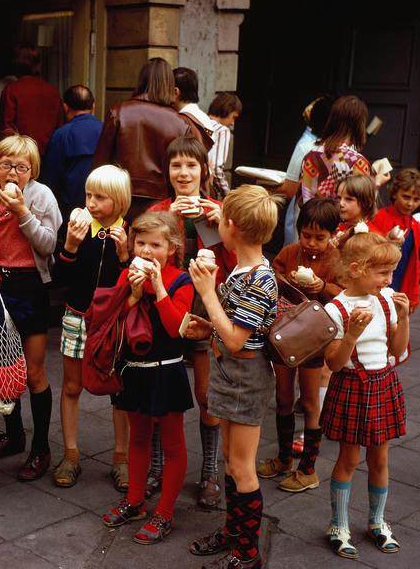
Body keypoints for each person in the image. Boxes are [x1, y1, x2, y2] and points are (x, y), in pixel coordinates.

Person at [183, 185, 279, 568]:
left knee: (242, 467)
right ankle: (234, 530)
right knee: (229, 459)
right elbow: (236, 328)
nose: (217, 225)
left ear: (233, 227)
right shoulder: (243, 267)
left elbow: (239, 341)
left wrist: (207, 293)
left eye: (221, 220)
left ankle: (247, 553)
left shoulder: (259, 278)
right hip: (231, 372)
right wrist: (207, 327)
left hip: (244, 375)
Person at [148, 136, 237, 509]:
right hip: (166, 306)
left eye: (191, 166)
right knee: (158, 389)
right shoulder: (159, 210)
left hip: (206, 306)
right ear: (167, 172)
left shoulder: (218, 210)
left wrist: (223, 228)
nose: (183, 173)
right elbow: (145, 256)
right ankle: (156, 467)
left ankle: (209, 473)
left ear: (204, 170)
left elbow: (237, 266)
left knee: (206, 394)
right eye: (176, 166)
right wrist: (168, 224)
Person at [99, 211, 194, 545]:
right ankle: (135, 500)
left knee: (172, 442)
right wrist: (134, 294)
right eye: (141, 243)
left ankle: (165, 511)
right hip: (135, 370)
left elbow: (174, 327)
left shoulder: (181, 280)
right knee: (137, 437)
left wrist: (157, 287)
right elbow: (114, 319)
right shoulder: (127, 273)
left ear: (172, 248)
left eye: (156, 244)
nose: (147, 251)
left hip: (167, 370)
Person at [0, 135, 62, 481]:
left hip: (30, 285)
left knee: (34, 372)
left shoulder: (41, 196)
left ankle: (41, 447)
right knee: (2, 366)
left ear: (32, 171)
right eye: (6, 165)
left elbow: (48, 245)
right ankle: (14, 435)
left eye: (21, 167)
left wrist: (22, 211)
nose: (13, 173)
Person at [321, 232, 409, 559]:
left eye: (391, 272)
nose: (389, 280)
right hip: (351, 384)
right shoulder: (337, 309)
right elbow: (333, 362)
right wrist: (352, 335)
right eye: (383, 273)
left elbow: (398, 350)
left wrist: (406, 318)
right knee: (349, 459)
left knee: (380, 459)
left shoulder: (385, 300)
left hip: (383, 382)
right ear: (357, 269)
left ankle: (377, 521)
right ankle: (338, 525)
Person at [52, 164, 132, 490]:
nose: (91, 202)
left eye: (100, 197)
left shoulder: (130, 231)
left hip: (114, 322)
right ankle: (70, 454)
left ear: (119, 201)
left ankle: (121, 458)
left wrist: (125, 253)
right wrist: (70, 246)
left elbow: (133, 284)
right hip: (78, 313)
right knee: (72, 386)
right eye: (88, 195)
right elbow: (60, 280)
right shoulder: (76, 228)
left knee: (119, 391)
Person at [257, 197, 342, 494]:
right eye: (307, 236)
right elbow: (274, 274)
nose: (312, 243)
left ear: (333, 234)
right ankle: (283, 459)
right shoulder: (290, 252)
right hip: (285, 334)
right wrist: (285, 279)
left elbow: (343, 292)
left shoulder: (337, 259)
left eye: (320, 238)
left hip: (314, 340)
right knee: (282, 397)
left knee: (309, 402)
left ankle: (308, 468)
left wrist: (324, 288)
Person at [92, 57, 202, 218]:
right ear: (169, 85)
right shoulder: (181, 122)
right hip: (161, 202)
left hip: (119, 198)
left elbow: (100, 163)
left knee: (118, 241)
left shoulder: (119, 112)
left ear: (141, 80)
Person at [370, 169, 420, 313]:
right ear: (394, 193)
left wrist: (413, 295)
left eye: (416, 200)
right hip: (379, 280)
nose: (410, 204)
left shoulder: (415, 224)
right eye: (406, 197)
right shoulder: (381, 217)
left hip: (400, 280)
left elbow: (414, 262)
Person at [275, 96, 332, 245]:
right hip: (330, 216)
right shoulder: (345, 150)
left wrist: (266, 188)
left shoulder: (306, 146)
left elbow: (289, 189)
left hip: (306, 215)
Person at [41, 84, 103, 221]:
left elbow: (50, 177)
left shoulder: (61, 135)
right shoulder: (106, 131)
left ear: (65, 107)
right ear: (93, 106)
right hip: (103, 205)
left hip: (70, 211)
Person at [0, 43, 63, 162]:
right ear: (38, 65)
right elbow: (60, 126)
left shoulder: (12, 90)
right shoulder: (52, 91)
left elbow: (6, 128)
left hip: (19, 156)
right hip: (47, 155)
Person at [299, 95, 371, 205]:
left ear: (332, 120)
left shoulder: (311, 157)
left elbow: (304, 201)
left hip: (312, 220)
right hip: (342, 222)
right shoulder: (358, 163)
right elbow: (361, 206)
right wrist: (377, 183)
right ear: (359, 126)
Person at [172, 67, 229, 199]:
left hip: (191, 188)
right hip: (202, 185)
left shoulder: (184, 120)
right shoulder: (202, 117)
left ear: (175, 92)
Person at [207, 92, 243, 199]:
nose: (232, 123)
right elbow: (216, 168)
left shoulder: (197, 122)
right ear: (227, 109)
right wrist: (228, 194)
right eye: (234, 117)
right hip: (206, 187)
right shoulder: (222, 130)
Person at [333, 174, 379, 246]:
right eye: (339, 198)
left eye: (349, 199)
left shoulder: (370, 236)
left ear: (367, 202)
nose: (341, 203)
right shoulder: (340, 227)